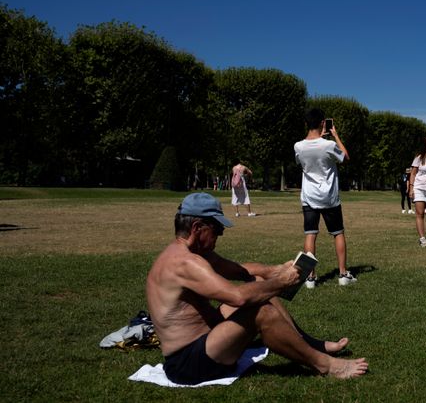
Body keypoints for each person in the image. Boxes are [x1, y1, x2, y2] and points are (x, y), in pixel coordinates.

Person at [146, 192, 368, 385]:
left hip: (203, 342)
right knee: (262, 312)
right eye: (217, 229)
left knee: (258, 284)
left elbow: (239, 270)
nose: (220, 235)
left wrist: (275, 271)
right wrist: (281, 282)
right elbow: (237, 298)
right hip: (187, 363)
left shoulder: (191, 253)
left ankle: (308, 343)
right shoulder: (185, 263)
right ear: (197, 228)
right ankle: (326, 365)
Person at [294, 109, 356, 288]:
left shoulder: (298, 146)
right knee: (338, 233)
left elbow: (303, 162)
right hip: (329, 197)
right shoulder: (328, 145)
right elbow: (345, 157)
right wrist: (335, 136)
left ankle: (310, 278)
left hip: (309, 196)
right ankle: (343, 274)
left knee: (310, 234)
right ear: (323, 123)